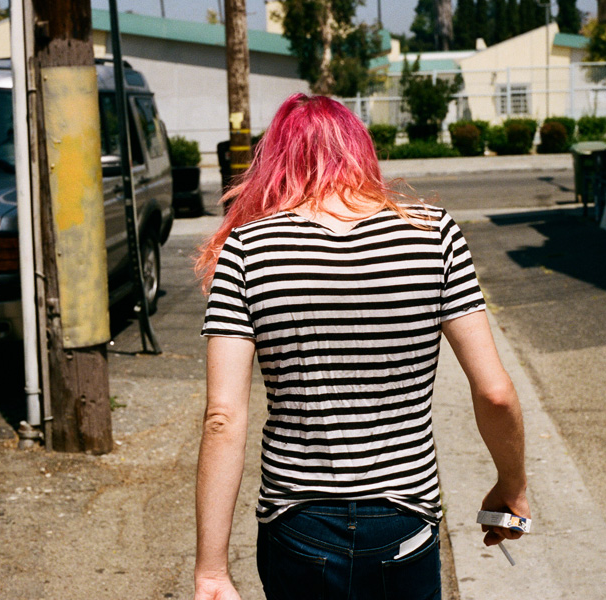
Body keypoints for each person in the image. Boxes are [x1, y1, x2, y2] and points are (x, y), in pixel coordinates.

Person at [194, 94, 529, 600]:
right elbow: (495, 392)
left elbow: (223, 416)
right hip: (404, 522)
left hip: (297, 521)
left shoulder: (248, 247)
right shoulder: (435, 235)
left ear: (277, 159)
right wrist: (512, 486)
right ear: (360, 150)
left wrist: (212, 572)